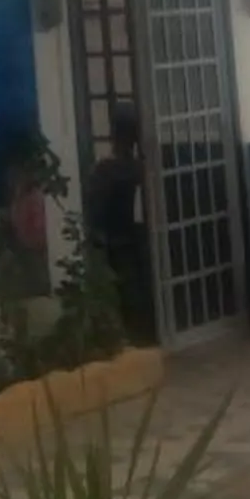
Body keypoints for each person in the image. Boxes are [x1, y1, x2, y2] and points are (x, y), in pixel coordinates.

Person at [84, 100, 156, 346]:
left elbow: (94, 211)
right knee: (135, 295)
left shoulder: (106, 170)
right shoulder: (140, 169)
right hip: (135, 240)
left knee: (121, 297)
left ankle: (127, 338)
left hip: (113, 242)